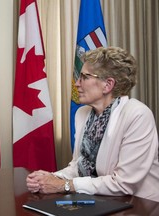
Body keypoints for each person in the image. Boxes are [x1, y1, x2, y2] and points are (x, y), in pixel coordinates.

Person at [26, 46, 159, 202]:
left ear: (108, 85)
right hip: (103, 201)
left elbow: (124, 184)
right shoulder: (82, 114)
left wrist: (63, 185)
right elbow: (79, 166)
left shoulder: (137, 115)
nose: (76, 84)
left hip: (140, 204)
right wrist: (50, 178)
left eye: (84, 77)